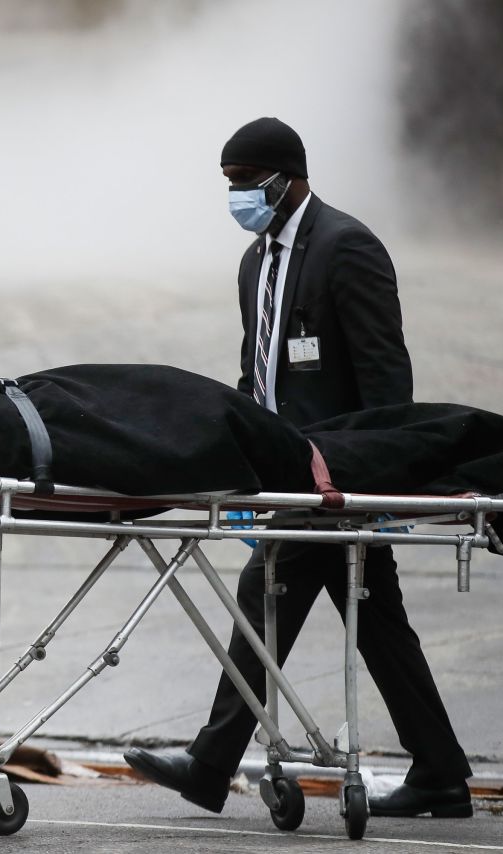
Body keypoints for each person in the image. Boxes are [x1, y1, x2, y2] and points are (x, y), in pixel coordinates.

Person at [123, 117, 474, 819]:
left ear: (286, 178)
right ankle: (438, 772)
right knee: (377, 622)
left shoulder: (347, 248)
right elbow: (260, 376)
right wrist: (241, 459)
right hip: (286, 473)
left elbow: (385, 375)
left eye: (247, 184)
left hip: (337, 477)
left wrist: (377, 477)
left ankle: (210, 764)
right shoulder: (258, 262)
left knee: (265, 598)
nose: (239, 197)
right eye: (229, 186)